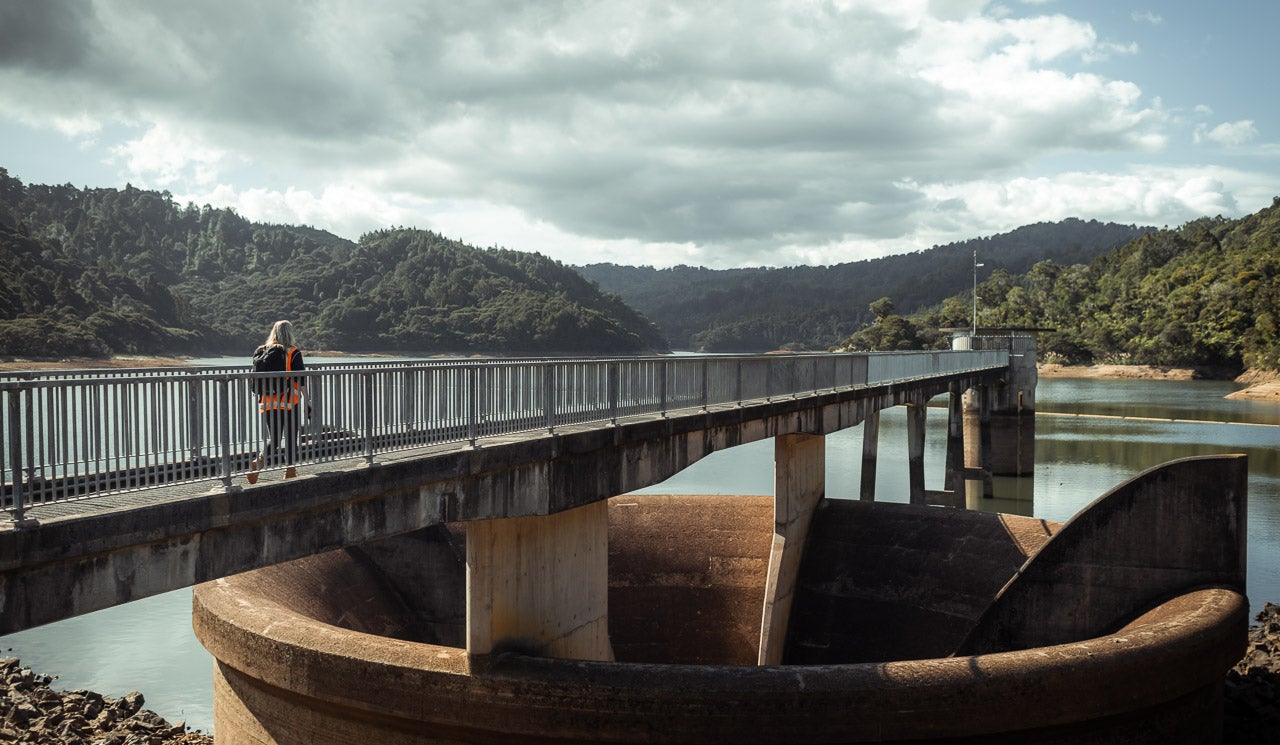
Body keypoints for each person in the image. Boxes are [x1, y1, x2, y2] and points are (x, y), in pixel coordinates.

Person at [247, 320, 309, 484]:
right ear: (290, 333)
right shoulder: (293, 352)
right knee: (290, 436)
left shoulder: (262, 350)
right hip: (289, 400)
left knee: (274, 437)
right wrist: (308, 402)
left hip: (267, 401)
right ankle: (289, 470)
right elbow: (301, 379)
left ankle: (259, 461)